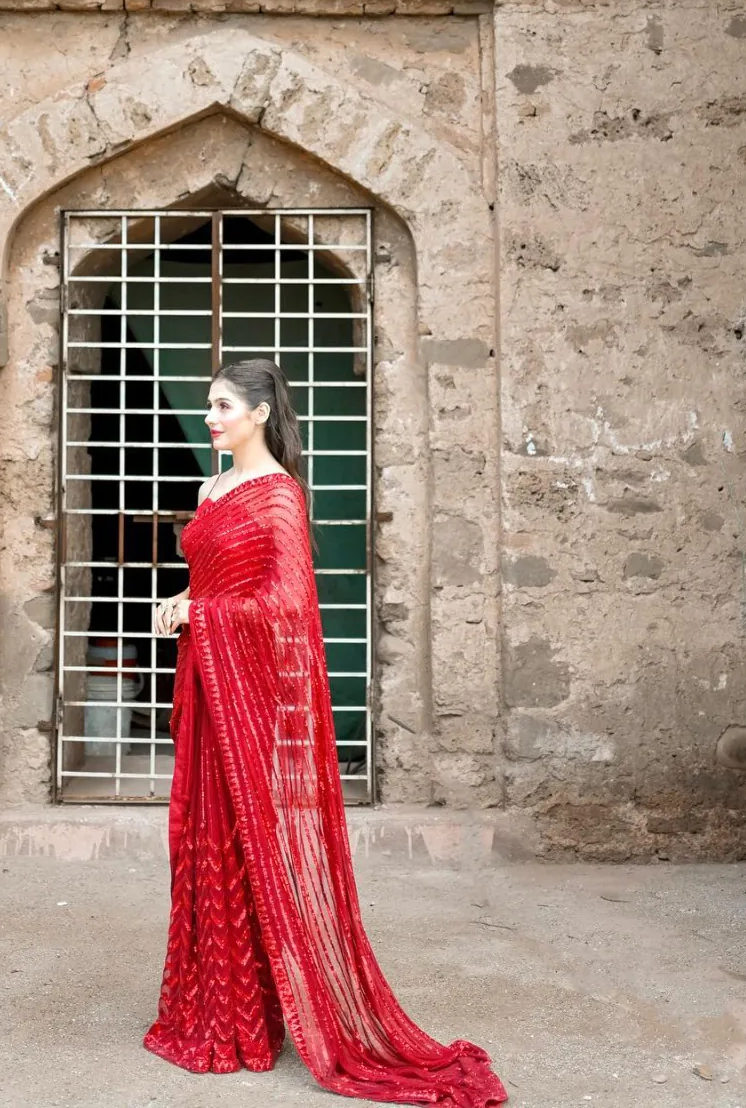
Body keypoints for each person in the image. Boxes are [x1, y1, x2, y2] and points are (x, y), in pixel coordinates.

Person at [144, 357, 507, 1105]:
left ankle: (252, 1018)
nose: (210, 419)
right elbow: (220, 576)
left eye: (222, 407)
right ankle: (219, 1007)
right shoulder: (213, 488)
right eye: (209, 406)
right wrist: (189, 595)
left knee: (252, 842)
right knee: (203, 839)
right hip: (209, 687)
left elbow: (285, 607)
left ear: (261, 416)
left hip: (243, 693)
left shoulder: (278, 499)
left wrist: (201, 615)